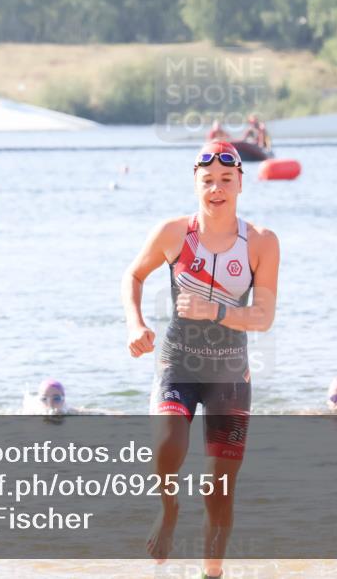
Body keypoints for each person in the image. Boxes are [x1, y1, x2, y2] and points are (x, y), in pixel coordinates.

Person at [122, 140, 280, 579]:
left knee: (217, 490)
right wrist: (135, 324)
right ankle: (169, 508)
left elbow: (263, 317)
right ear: (196, 184)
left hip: (230, 374)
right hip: (178, 364)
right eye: (207, 180)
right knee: (167, 447)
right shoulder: (173, 233)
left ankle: (213, 574)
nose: (216, 188)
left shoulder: (261, 243)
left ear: (241, 184)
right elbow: (132, 276)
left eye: (226, 180)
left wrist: (217, 311)